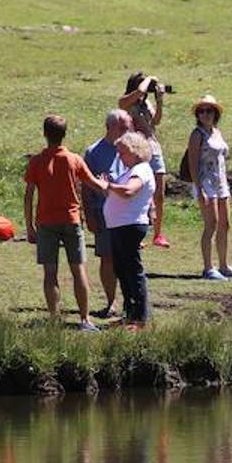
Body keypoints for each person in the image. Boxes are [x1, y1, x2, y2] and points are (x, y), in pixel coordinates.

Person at [24, 114, 106, 332]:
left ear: (44, 134)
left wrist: (29, 226)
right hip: (71, 220)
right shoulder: (74, 159)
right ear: (64, 134)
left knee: (50, 273)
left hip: (45, 221)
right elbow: (94, 184)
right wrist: (110, 186)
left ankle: (54, 318)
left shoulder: (36, 161)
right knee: (78, 270)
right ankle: (85, 319)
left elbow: (29, 194)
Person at [103, 132, 156, 329]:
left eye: (123, 153)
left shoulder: (141, 169)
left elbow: (129, 191)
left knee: (132, 271)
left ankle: (140, 318)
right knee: (122, 270)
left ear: (135, 152)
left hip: (129, 225)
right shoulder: (131, 170)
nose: (120, 157)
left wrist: (109, 185)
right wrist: (109, 185)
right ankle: (130, 314)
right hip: (120, 225)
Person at [186, 95, 232, 280]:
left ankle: (224, 265)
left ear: (215, 113)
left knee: (225, 224)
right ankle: (208, 267)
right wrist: (199, 187)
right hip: (205, 183)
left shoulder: (217, 132)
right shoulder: (197, 135)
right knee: (211, 224)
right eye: (201, 111)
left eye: (209, 110)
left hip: (220, 183)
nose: (205, 114)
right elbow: (192, 163)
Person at [83, 109, 132, 318]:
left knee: (129, 259)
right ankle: (111, 302)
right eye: (123, 128)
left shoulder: (132, 149)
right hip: (103, 212)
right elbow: (85, 186)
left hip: (128, 213)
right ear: (110, 127)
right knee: (108, 258)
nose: (126, 131)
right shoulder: (94, 152)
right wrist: (89, 215)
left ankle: (130, 303)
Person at [118, 73, 171, 248]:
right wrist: (150, 78)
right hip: (136, 150)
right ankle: (135, 233)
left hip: (153, 148)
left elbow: (156, 120)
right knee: (138, 193)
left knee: (159, 195)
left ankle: (158, 234)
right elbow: (140, 91)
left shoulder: (145, 103)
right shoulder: (125, 102)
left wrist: (159, 100)